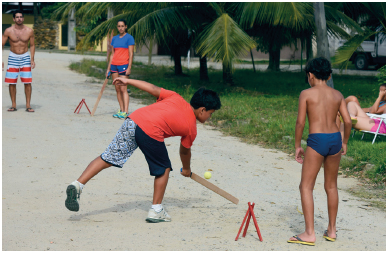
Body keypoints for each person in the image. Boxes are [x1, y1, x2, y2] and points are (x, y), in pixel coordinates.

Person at [64, 78, 221, 223]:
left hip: (133, 120)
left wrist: (127, 80)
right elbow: (185, 152)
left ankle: (78, 184)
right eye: (210, 113)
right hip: (150, 130)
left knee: (108, 158)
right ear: (202, 110)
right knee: (163, 168)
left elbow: (152, 88)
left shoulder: (176, 97)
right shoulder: (191, 128)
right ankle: (156, 210)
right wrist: (186, 169)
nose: (210, 117)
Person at [288, 57, 352, 246]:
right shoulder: (338, 94)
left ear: (310, 75)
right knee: (331, 186)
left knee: (306, 186)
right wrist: (345, 141)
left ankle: (309, 233)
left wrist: (298, 145)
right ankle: (331, 230)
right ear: (329, 75)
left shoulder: (306, 94)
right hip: (334, 140)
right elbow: (347, 121)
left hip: (317, 140)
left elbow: (300, 122)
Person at [2, 10, 35, 112]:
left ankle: (28, 105)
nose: (19, 18)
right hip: (13, 57)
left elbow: (32, 45)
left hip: (25, 57)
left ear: (23, 18)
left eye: (21, 17)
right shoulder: (8, 31)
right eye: (17, 17)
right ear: (13, 19)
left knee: (27, 82)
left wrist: (32, 59)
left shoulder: (29, 31)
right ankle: (13, 105)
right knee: (12, 82)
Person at [106, 19, 134, 119]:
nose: (120, 28)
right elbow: (112, 54)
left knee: (123, 89)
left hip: (124, 65)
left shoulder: (129, 38)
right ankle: (121, 110)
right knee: (117, 89)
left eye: (122, 26)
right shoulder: (114, 39)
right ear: (117, 27)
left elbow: (131, 54)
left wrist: (129, 67)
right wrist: (108, 69)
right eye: (119, 26)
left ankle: (126, 112)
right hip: (114, 65)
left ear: (125, 26)